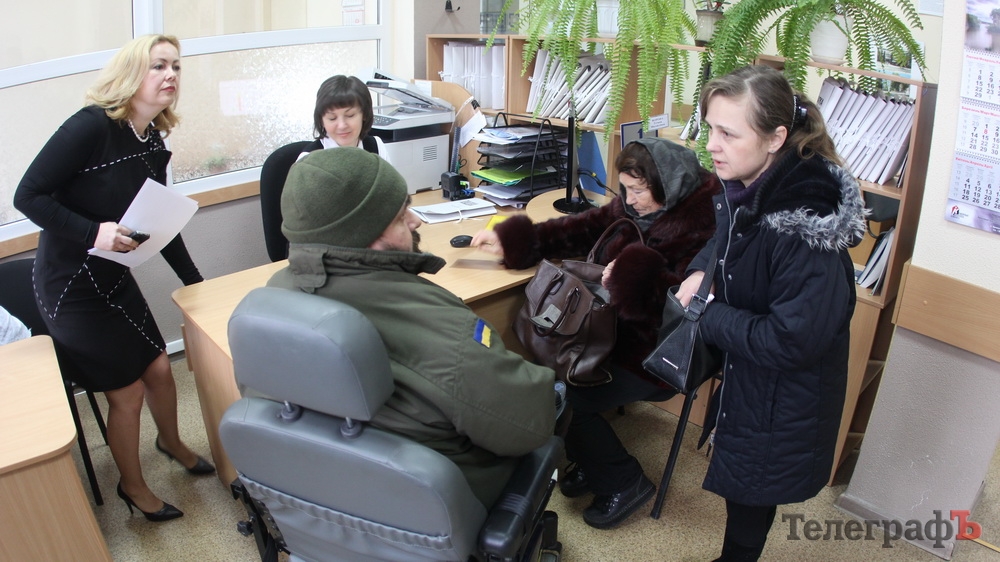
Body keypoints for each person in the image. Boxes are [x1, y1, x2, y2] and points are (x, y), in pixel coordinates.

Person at [267, 147, 556, 507]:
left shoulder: (271, 299)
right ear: (368, 235)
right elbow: (529, 428)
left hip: (329, 495)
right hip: (440, 502)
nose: (415, 220)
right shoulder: (443, 330)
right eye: (400, 215)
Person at [13, 34, 214, 523]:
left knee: (160, 369)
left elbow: (159, 221)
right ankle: (133, 487)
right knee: (127, 392)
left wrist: (195, 283)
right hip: (70, 287)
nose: (170, 75)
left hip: (112, 276)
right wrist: (93, 232)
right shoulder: (89, 127)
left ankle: (171, 442)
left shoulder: (152, 141)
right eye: (158, 65)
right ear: (130, 74)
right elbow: (27, 196)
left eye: (176, 66)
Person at [471, 138, 720, 529]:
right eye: (626, 189)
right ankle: (593, 460)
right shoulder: (638, 204)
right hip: (612, 332)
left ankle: (624, 480)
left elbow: (685, 310)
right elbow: (581, 228)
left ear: (668, 184)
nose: (630, 200)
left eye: (638, 190)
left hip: (660, 353)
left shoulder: (705, 224)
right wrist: (516, 240)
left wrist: (632, 277)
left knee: (563, 395)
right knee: (548, 366)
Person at [676, 65, 866, 561]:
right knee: (748, 489)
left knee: (753, 490)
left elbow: (790, 340)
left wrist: (708, 314)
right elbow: (729, 241)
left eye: (728, 133)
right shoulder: (755, 183)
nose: (711, 146)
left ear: (776, 138)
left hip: (783, 397)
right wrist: (702, 270)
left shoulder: (802, 230)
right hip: (756, 382)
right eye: (709, 129)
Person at [297, 74, 385, 160]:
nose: (342, 126)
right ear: (321, 120)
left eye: (350, 115)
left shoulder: (376, 146)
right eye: (332, 118)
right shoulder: (307, 160)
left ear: (364, 114)